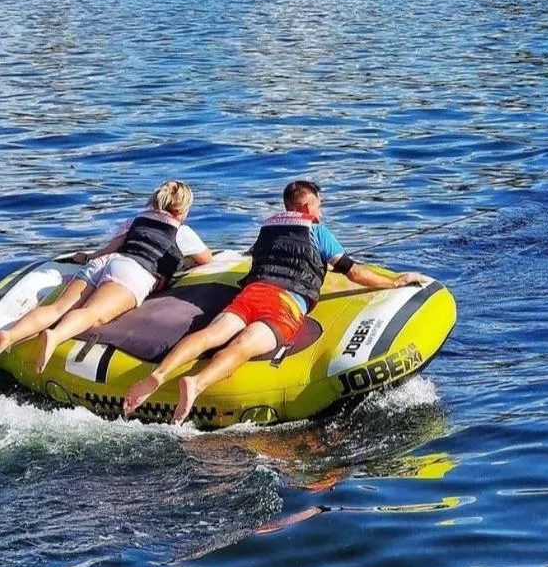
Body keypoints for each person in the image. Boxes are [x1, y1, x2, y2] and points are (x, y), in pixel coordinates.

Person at [122, 180, 427, 424]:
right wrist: (394, 281)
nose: (321, 210)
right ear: (309, 204)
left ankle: (158, 375)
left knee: (210, 335)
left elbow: (256, 257)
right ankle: (197, 383)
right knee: (242, 347)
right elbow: (355, 272)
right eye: (319, 204)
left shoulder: (268, 227)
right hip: (285, 303)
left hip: (253, 292)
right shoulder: (318, 231)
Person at [0, 180, 212, 372]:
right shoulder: (182, 232)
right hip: (134, 273)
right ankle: (55, 335)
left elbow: (109, 250)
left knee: (59, 308)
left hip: (106, 262)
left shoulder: (136, 221)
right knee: (93, 313)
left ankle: (8, 336)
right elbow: (206, 259)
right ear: (182, 210)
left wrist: (86, 257)